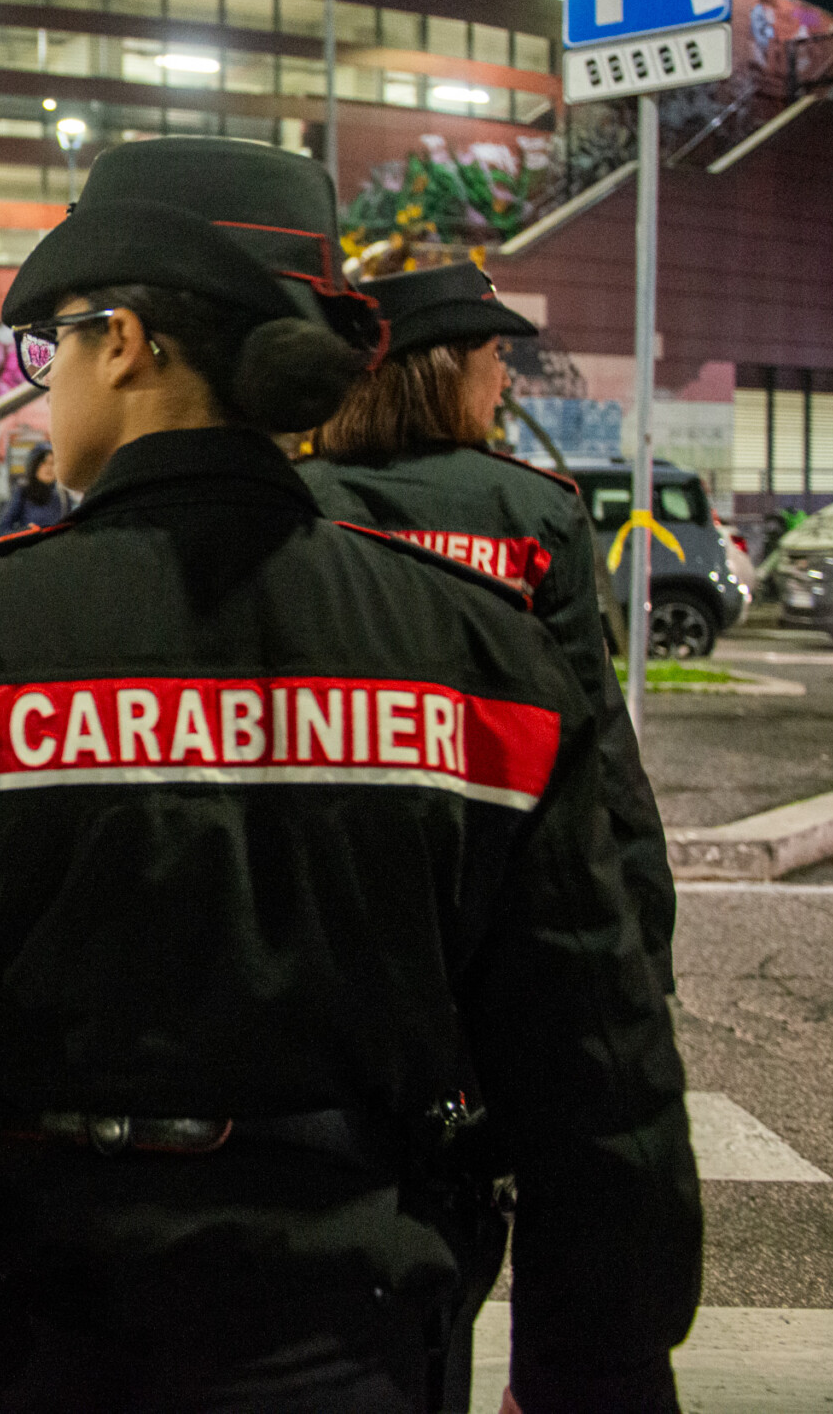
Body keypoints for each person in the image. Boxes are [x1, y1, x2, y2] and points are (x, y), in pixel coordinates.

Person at [0, 160, 700, 1413]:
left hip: (32, 1315)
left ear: (128, 342)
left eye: (55, 349)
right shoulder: (483, 656)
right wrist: (601, 1362)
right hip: (358, 1313)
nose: (48, 391)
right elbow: (591, 1045)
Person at [298, 262, 678, 1412]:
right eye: (493, 357)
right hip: (499, 905)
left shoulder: (305, 498)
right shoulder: (530, 512)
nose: (503, 378)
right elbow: (594, 757)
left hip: (346, 910)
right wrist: (636, 947)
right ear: (445, 368)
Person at [0, 442, 68, 534]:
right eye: (43, 463)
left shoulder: (62, 496)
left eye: (52, 463)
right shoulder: (23, 491)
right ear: (34, 465)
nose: (49, 468)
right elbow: (3, 527)